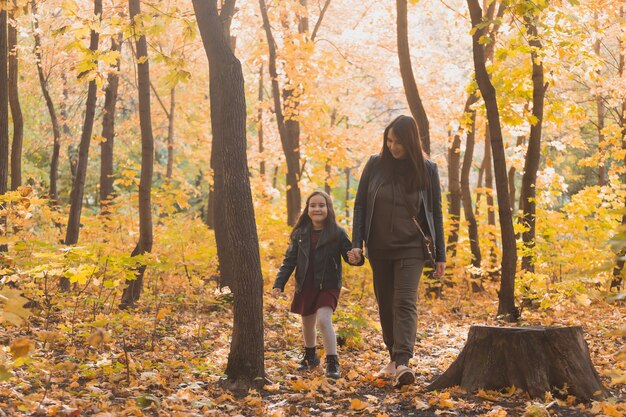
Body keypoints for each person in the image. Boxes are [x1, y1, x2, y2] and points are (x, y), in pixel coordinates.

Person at [347, 115, 446, 388]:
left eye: (398, 142)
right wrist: (357, 243)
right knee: (386, 304)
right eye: (389, 141)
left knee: (404, 301)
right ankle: (393, 355)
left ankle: (403, 361)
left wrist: (441, 256)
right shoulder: (375, 164)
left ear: (411, 141)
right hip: (379, 248)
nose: (392, 147)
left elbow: (435, 214)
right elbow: (360, 206)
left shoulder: (427, 169)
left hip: (411, 248)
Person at [273, 191, 363, 379]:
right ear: (307, 209)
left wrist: (356, 258)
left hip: (328, 284)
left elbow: (350, 257)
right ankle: (310, 357)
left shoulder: (337, 232)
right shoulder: (300, 233)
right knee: (307, 322)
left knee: (323, 319)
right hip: (305, 284)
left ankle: (332, 361)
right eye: (313, 205)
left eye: (321, 205)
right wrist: (279, 283)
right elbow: (289, 260)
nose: (317, 209)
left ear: (328, 208)